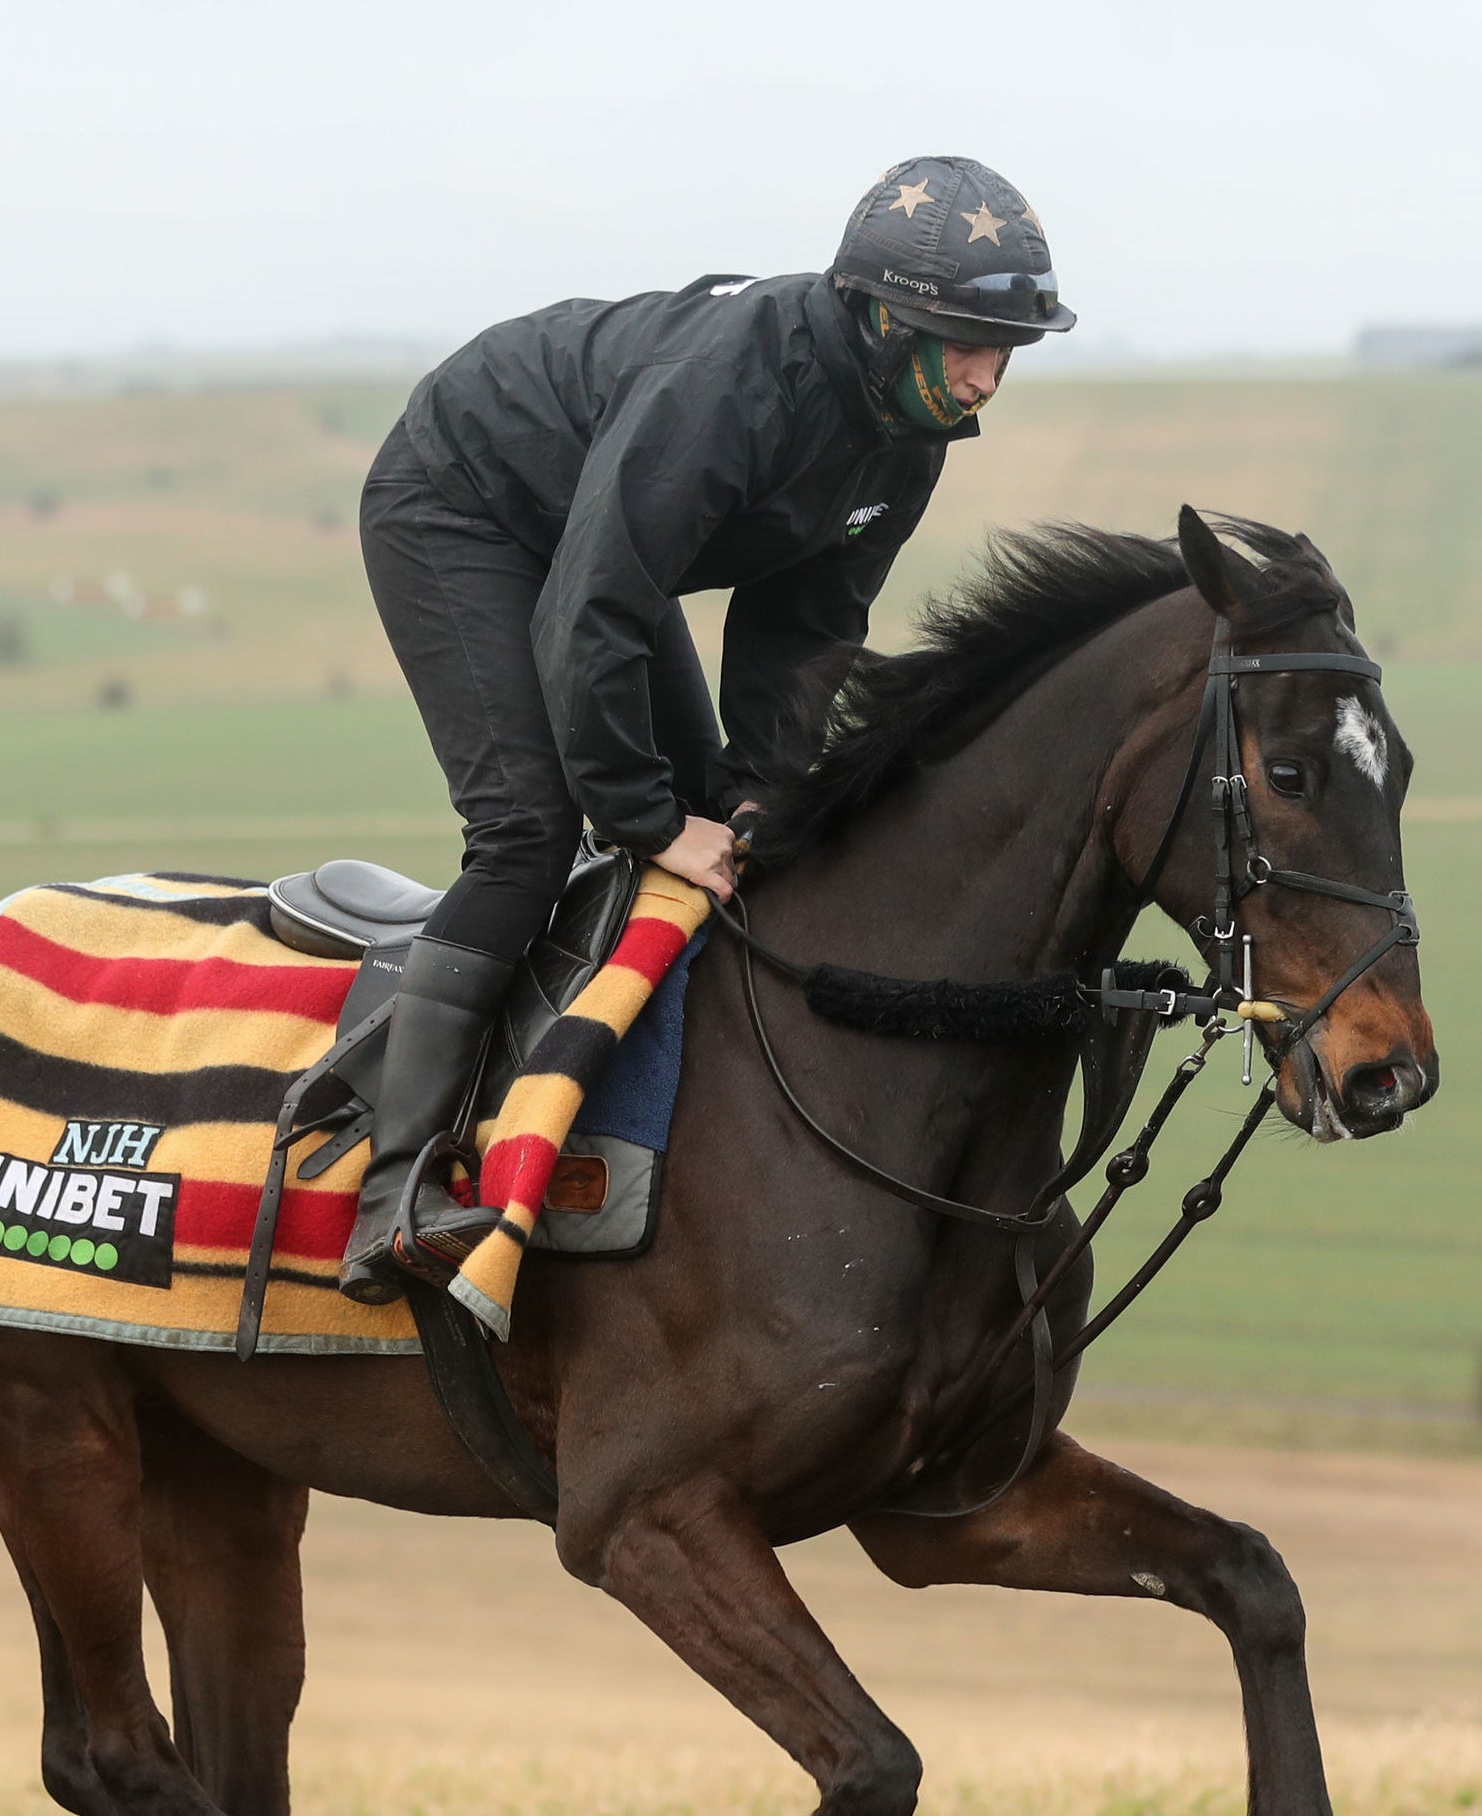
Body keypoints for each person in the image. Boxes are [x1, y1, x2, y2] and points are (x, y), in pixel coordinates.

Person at [341, 155, 1075, 1304]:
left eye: (1005, 351)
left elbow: (805, 628)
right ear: (882, 319)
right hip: (465, 507)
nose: (986, 375)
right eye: (965, 343)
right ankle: (393, 1195)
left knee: (730, 829)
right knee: (530, 834)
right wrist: (636, 818)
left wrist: (753, 793)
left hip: (602, 555)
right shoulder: (727, 386)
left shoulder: (908, 431)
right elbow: (594, 604)